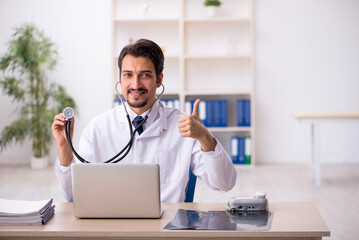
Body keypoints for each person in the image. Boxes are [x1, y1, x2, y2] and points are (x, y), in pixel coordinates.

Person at [52, 39, 237, 202]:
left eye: (145, 75)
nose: (135, 85)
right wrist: (64, 148)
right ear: (120, 78)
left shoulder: (185, 127)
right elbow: (72, 197)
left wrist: (205, 137)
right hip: (113, 226)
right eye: (128, 75)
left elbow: (224, 184)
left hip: (167, 229)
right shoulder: (98, 128)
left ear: (159, 79)